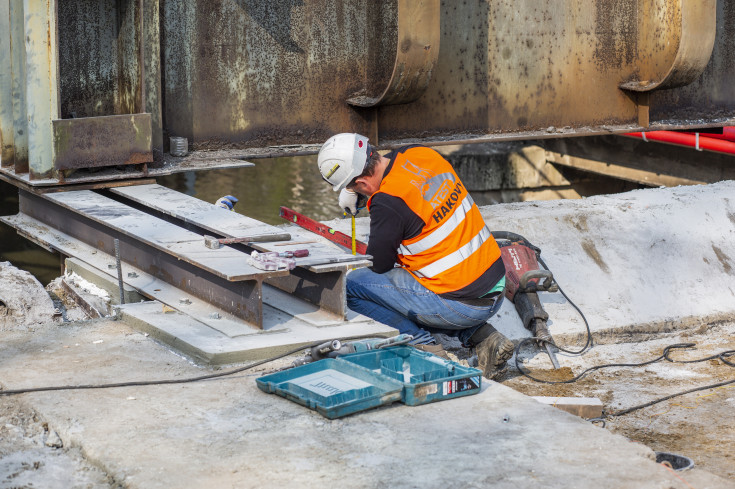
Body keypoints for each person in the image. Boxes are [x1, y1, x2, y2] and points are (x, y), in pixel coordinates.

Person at [317, 133, 514, 379]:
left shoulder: (387, 202)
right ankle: (483, 337)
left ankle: (422, 344)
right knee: (416, 284)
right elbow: (399, 173)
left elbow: (379, 264)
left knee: (352, 286)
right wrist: (356, 188)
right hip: (496, 287)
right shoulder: (421, 153)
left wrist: (368, 201)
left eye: (352, 186)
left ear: (362, 185)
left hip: (463, 305)